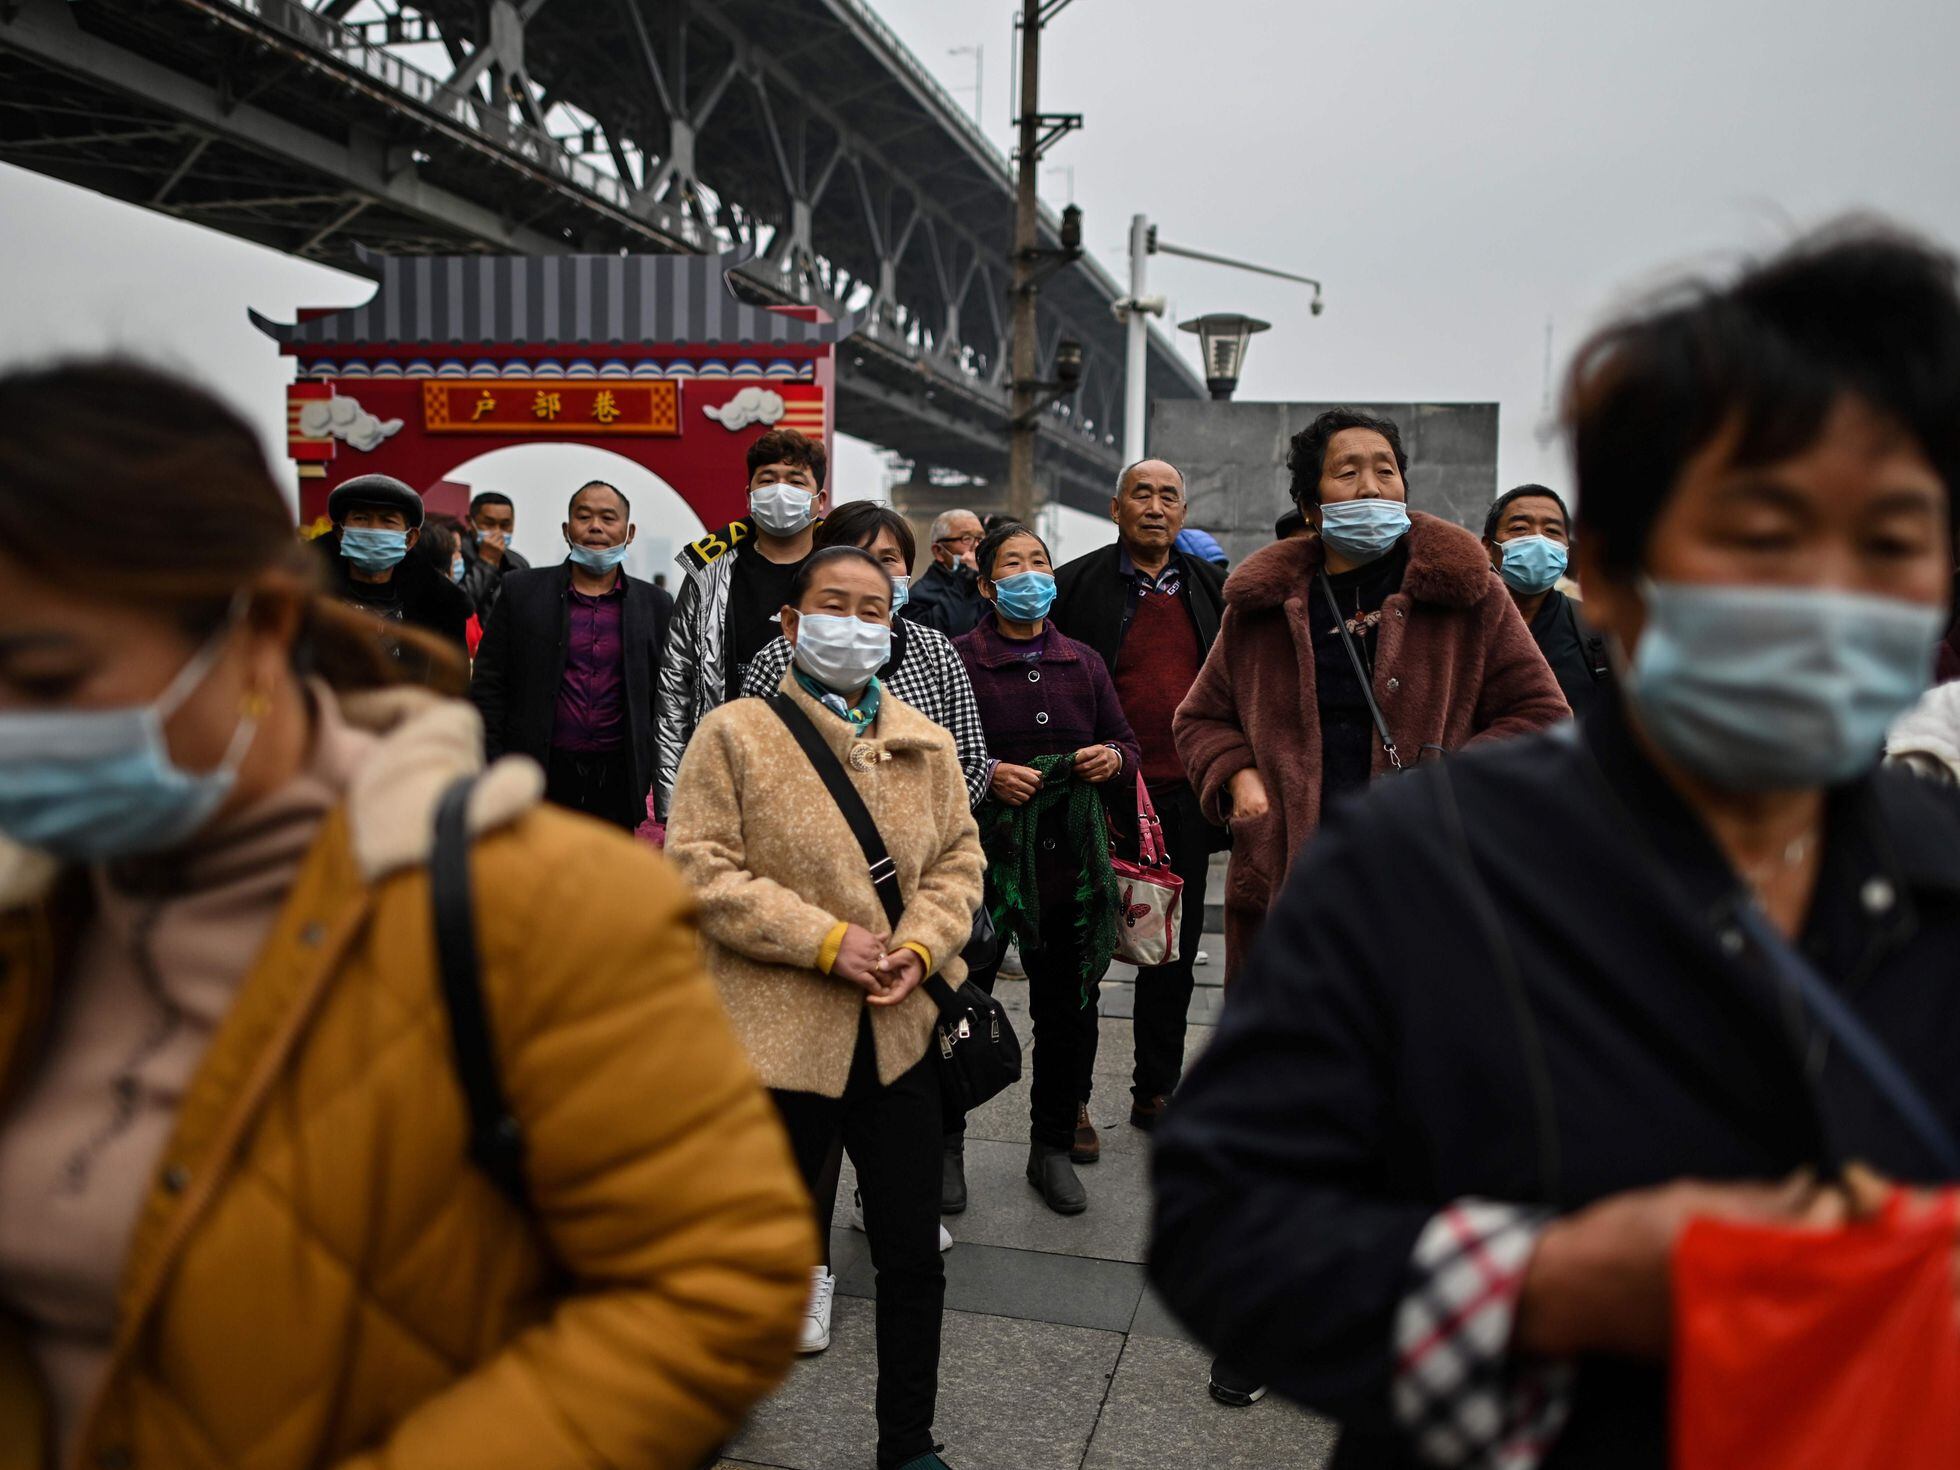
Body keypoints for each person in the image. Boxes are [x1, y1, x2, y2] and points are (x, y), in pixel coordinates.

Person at [1150, 225, 1960, 1468]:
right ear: (1622, 578)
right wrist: (1548, 1286)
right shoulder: (1414, 869)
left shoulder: (1937, 877)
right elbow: (1226, 1222)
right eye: (1762, 532)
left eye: (1894, 540)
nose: (1828, 592)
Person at [0, 360, 815, 1470]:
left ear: (255, 631)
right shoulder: (38, 897)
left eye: (43, 678)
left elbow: (717, 1280)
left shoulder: (540, 910)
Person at [667, 546, 984, 1470]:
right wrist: (822, 939)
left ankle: (908, 1439)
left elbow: (962, 863)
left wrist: (921, 944)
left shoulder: (926, 741)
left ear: (893, 626)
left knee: (909, 1254)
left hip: (897, 1032)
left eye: (872, 608)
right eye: (832, 605)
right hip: (771, 1038)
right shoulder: (734, 732)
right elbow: (698, 869)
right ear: (792, 624)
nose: (854, 622)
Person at [1174, 407, 1570, 982]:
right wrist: (1237, 775)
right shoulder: (1261, 606)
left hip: (1427, 870)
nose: (1371, 486)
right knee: (1291, 1054)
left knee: (1415, 1050)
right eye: (1348, 472)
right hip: (1291, 876)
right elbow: (1199, 719)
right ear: (1312, 506)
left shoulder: (1468, 593)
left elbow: (1542, 714)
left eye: (1385, 471)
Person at [955, 523, 1140, 1216]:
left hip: (1069, 869)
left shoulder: (1084, 662)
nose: (1030, 574)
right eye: (1013, 564)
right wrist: (988, 776)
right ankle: (946, 1146)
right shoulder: (957, 659)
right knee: (959, 1003)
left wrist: (1113, 760)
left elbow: (1126, 741)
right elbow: (932, 752)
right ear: (986, 584)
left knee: (1068, 1010)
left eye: (1039, 562)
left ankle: (1052, 1147)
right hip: (979, 868)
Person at [1052, 459, 1227, 1136]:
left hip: (1182, 797)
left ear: (1182, 512)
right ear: (1116, 507)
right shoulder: (1075, 586)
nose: (1156, 507)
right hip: (1099, 793)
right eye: (1142, 494)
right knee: (1083, 953)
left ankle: (1156, 1088)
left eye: (1169, 497)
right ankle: (1071, 1101)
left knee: (1171, 956)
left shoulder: (1215, 590)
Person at [744, 501, 991, 807]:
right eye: (855, 555)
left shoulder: (935, 650)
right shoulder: (777, 658)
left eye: (888, 559)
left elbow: (971, 761)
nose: (871, 571)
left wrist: (919, 828)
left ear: (908, 571)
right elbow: (754, 770)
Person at [470, 481, 673, 831]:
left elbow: (665, 697)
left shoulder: (655, 604)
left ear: (629, 531)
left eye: (608, 518)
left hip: (618, 779)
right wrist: (492, 764)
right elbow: (489, 685)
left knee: (607, 880)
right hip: (537, 773)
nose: (596, 526)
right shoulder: (521, 592)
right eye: (584, 516)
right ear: (567, 530)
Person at [656, 427, 828, 813]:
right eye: (767, 479)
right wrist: (671, 803)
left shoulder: (842, 573)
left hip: (822, 775)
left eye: (796, 481)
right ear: (749, 496)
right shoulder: (707, 572)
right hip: (728, 772)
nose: (780, 489)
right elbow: (674, 688)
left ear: (820, 501)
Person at [1483, 483, 1613, 717]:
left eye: (1552, 531)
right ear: (1488, 547)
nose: (1538, 541)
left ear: (1566, 550)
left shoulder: (1595, 627)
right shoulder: (1460, 626)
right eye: (1520, 528)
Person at [312, 472, 473, 650]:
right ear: (340, 533)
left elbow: (453, 676)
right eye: (361, 518)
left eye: (387, 520)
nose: (373, 530)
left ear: (410, 538)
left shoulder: (441, 608)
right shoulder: (303, 600)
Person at [905, 509, 987, 637]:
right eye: (966, 539)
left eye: (981, 538)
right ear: (938, 551)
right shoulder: (918, 597)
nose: (977, 546)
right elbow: (952, 632)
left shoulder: (987, 586)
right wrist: (967, 576)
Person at [458, 490, 531, 623]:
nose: (497, 531)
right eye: (489, 524)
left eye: (505, 525)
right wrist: (487, 562)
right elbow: (457, 606)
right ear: (470, 522)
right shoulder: (455, 555)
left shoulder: (519, 564)